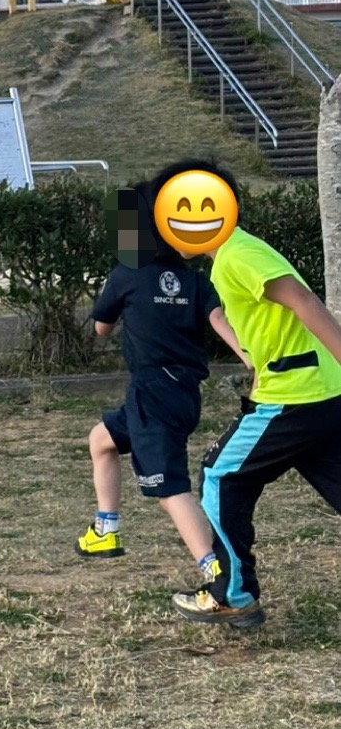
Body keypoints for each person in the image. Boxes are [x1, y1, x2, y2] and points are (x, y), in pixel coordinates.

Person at [152, 159, 341, 628]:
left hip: (296, 395)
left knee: (221, 476)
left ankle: (232, 595)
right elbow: (273, 325)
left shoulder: (238, 253)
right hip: (316, 392)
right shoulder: (232, 257)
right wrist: (257, 374)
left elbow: (302, 300)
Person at [77, 180, 250, 601]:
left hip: (152, 393)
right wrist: (251, 359)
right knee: (101, 440)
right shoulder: (194, 280)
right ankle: (105, 530)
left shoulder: (126, 273)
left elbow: (100, 329)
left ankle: (218, 575)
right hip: (183, 393)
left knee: (170, 489)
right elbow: (221, 323)